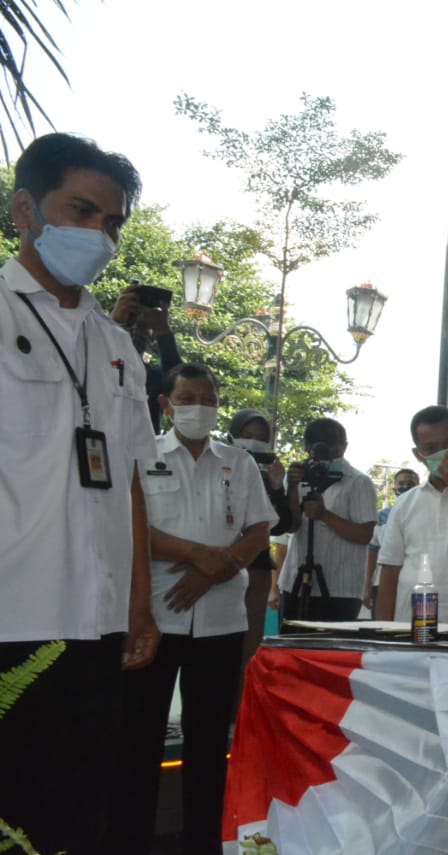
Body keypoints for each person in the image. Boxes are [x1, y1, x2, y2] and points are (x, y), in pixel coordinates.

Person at [0, 132, 159, 854]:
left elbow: (127, 477)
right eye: (82, 210)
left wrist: (137, 605)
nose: (99, 234)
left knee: (74, 814)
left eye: (113, 223)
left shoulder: (116, 342)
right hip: (12, 614)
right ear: (25, 210)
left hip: (96, 626)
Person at [103, 364, 274, 855]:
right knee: (139, 739)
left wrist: (217, 568)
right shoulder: (142, 456)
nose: (200, 405)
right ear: (166, 404)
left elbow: (259, 530)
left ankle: (203, 842)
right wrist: (195, 554)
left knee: (208, 742)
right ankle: (126, 842)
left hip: (221, 618)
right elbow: (132, 530)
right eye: (187, 397)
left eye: (208, 397)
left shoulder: (237, 461)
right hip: (154, 615)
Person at [274, 417, 377, 625]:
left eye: (334, 448)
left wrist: (324, 515)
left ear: (345, 447)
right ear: (307, 447)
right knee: (293, 649)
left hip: (340, 588)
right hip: (294, 581)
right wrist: (292, 488)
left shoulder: (359, 482)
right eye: (319, 448)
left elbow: (364, 535)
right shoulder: (297, 476)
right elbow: (291, 527)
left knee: (327, 652)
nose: (327, 455)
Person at [375, 408, 448, 620]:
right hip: (411, 623)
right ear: (418, 454)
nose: (442, 453)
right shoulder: (405, 503)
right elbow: (390, 571)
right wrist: (382, 634)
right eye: (430, 448)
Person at [227, 408, 296, 667]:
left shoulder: (267, 474)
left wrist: (278, 487)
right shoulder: (218, 465)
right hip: (220, 564)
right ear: (233, 436)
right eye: (247, 435)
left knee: (249, 640)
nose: (253, 440)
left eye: (260, 436)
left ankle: (244, 694)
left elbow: (281, 526)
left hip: (256, 566)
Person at [110, 280, 184, 433]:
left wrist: (162, 330)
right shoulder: (100, 359)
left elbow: (178, 382)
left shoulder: (153, 376)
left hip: (142, 451)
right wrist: (113, 323)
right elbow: (101, 360)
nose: (138, 319)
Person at [364, 467, 420, 614]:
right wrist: (367, 586)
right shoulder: (382, 516)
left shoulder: (423, 513)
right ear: (394, 488)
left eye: (410, 483)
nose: (405, 487)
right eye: (401, 483)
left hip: (412, 582)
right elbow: (373, 551)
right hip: (382, 584)